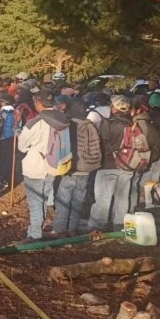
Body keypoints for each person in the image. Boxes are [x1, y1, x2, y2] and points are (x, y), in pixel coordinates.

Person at [17, 92, 69, 240]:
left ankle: (34, 235)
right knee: (44, 200)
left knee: (35, 203)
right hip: (53, 165)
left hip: (35, 166)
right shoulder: (62, 119)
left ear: (38, 103)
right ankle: (38, 228)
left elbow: (22, 146)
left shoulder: (35, 122)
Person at [54, 99, 100, 237]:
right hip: (86, 169)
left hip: (71, 169)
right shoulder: (90, 126)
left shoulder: (68, 125)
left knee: (63, 201)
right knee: (78, 202)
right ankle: (72, 229)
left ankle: (60, 230)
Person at [88, 96, 134, 232]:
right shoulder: (131, 124)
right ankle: (119, 227)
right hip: (128, 165)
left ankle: (96, 229)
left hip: (108, 165)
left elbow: (102, 144)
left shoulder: (108, 123)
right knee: (123, 198)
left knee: (103, 199)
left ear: (114, 106)